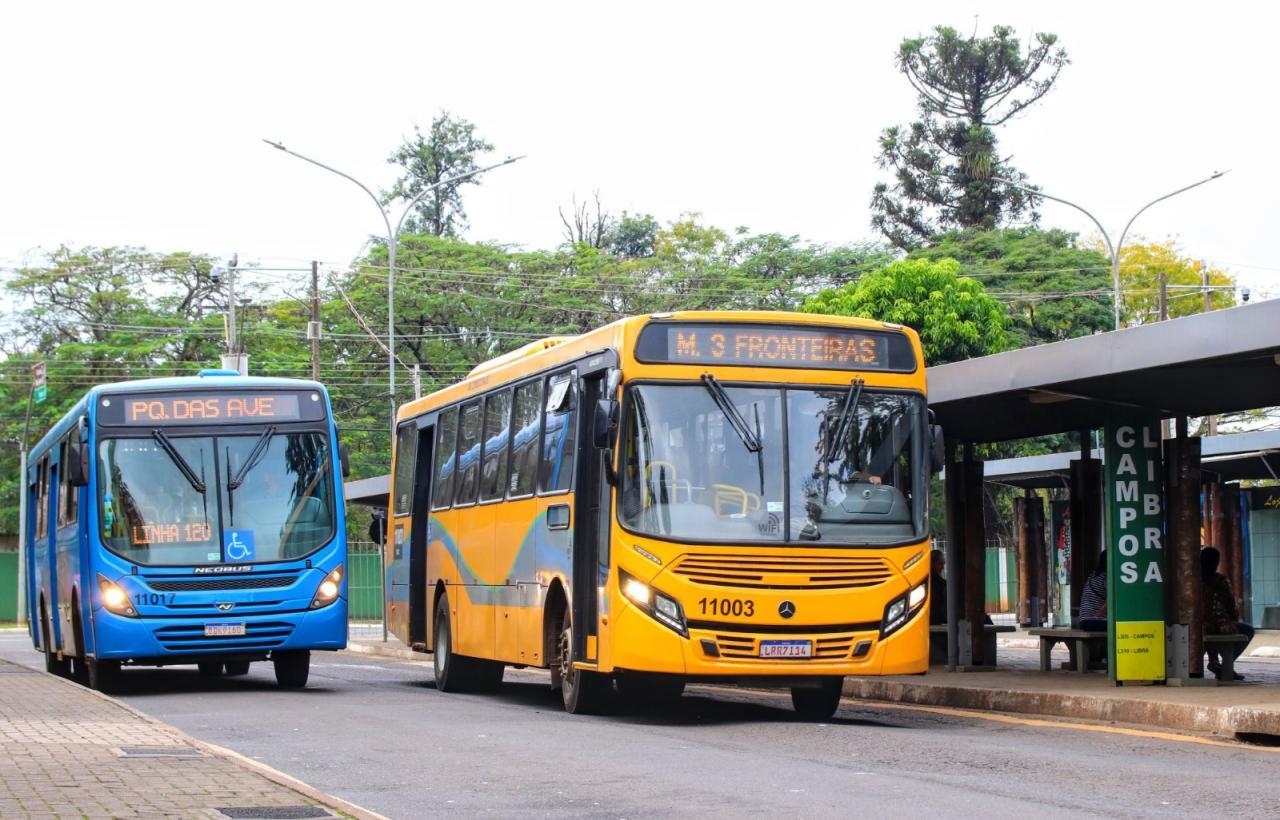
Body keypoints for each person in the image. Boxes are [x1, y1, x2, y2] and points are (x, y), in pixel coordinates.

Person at [1201, 546, 1255, 681]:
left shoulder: (1191, 581)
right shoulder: (1221, 580)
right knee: (1248, 630)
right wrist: (1233, 618)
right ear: (1216, 563)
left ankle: (1215, 662)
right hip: (1220, 627)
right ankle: (1225, 665)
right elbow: (1230, 605)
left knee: (1208, 627)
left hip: (1198, 627)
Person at [1076, 550, 1107, 631]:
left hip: (1083, 621)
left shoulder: (1093, 575)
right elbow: (1111, 600)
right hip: (1094, 621)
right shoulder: (1105, 577)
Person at [929, 550, 947, 625]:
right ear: (932, 563)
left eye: (943, 564)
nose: (943, 567)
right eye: (940, 564)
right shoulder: (941, 584)